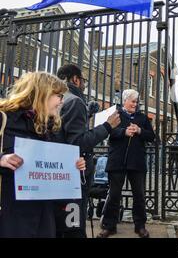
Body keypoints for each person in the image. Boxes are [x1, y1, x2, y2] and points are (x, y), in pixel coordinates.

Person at [0, 72, 86, 238]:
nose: (62, 101)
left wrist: (72, 167)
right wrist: (2, 160)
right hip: (10, 212)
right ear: (42, 93)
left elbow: (50, 167)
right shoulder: (4, 118)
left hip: (44, 215)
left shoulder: (48, 126)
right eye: (58, 95)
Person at [55, 64, 121, 238]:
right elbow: (78, 142)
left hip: (58, 171)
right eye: (83, 80)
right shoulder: (75, 101)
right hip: (76, 172)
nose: (84, 84)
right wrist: (107, 126)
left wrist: (88, 114)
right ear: (75, 79)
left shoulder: (59, 99)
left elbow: (65, 134)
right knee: (74, 224)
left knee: (60, 222)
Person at [97, 89, 155, 238]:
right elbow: (109, 133)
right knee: (114, 195)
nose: (135, 104)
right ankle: (109, 226)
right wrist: (124, 132)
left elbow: (152, 137)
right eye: (133, 101)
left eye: (137, 102)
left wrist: (140, 130)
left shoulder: (142, 118)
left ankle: (140, 226)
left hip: (137, 161)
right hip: (117, 160)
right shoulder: (115, 115)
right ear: (125, 101)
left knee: (139, 195)